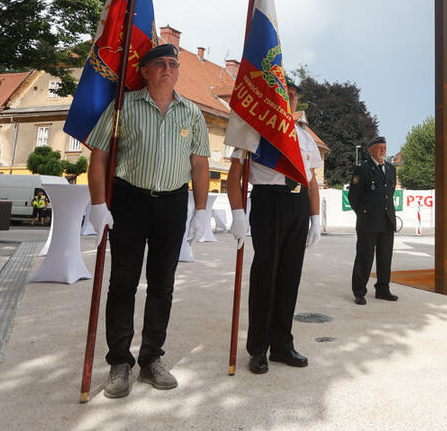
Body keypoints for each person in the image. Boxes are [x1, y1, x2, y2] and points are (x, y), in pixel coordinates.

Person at [86, 43, 211, 399]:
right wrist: (98, 203)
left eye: (173, 64)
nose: (168, 69)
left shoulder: (192, 113)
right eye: (159, 64)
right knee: (123, 282)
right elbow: (99, 157)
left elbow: (200, 165)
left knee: (162, 285)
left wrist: (200, 210)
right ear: (144, 71)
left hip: (172, 204)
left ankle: (152, 359)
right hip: (129, 201)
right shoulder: (123, 107)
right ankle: (119, 362)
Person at [227, 79, 322, 375]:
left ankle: (282, 344)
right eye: (285, 94)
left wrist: (315, 217)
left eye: (294, 96)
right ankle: (258, 348)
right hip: (269, 202)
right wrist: (238, 212)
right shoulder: (256, 130)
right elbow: (235, 174)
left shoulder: (305, 137)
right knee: (265, 276)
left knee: (289, 278)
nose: (290, 99)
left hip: (298, 204)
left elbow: (313, 181)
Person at [350, 136, 398, 305]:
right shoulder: (362, 169)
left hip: (386, 221)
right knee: (364, 258)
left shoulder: (391, 169)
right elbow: (353, 197)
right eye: (379, 147)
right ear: (370, 150)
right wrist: (363, 214)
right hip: (368, 222)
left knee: (385, 258)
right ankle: (359, 292)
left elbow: (389, 194)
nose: (383, 150)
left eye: (384, 147)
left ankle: (383, 289)